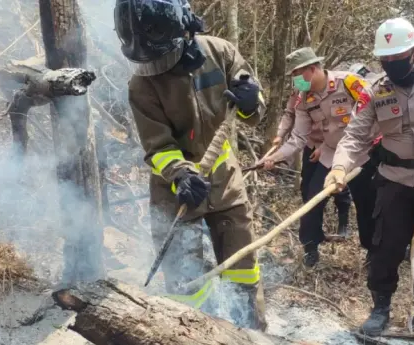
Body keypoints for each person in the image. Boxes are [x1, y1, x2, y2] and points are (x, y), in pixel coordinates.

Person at [114, 0, 266, 330]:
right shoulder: (140, 86)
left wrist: (251, 102)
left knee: (242, 271)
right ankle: (191, 334)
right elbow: (158, 147)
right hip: (176, 192)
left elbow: (252, 114)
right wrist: (180, 174)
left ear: (185, 30)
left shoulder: (220, 53)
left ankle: (251, 334)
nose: (157, 69)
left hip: (225, 185)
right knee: (185, 287)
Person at [324, 18, 414, 336]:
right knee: (386, 246)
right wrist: (339, 168)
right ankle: (380, 309)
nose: (392, 66)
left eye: (398, 59)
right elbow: (354, 136)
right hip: (394, 180)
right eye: (385, 61)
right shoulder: (375, 91)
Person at [260, 47, 378, 268]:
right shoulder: (304, 98)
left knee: (366, 203)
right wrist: (275, 157)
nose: (295, 81)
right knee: (313, 197)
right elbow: (297, 138)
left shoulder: (350, 82)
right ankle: (310, 248)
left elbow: (377, 107)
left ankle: (372, 251)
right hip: (331, 154)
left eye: (296, 75)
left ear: (312, 70)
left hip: (363, 153)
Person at [274, 90, 354, 239]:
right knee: (307, 189)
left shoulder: (334, 91)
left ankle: (343, 224)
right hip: (311, 144)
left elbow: (339, 125)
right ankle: (315, 230)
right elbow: (289, 114)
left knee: (337, 186)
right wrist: (280, 134)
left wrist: (323, 147)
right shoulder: (298, 92)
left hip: (333, 147)